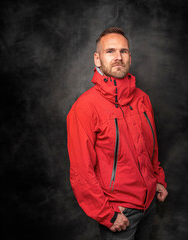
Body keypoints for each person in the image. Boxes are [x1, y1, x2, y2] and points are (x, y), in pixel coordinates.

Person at [67, 27, 168, 240]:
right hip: (119, 211)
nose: (118, 57)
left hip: (149, 205)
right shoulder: (84, 107)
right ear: (97, 59)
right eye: (110, 51)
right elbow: (81, 171)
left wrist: (157, 178)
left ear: (130, 57)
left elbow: (151, 148)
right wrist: (107, 214)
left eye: (124, 51)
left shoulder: (142, 98)